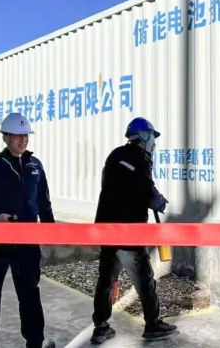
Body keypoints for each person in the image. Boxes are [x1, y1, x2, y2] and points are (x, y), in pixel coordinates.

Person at [0, 112, 55, 348]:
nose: (23, 140)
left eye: (25, 135)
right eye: (18, 135)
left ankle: (35, 340)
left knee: (29, 290)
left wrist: (50, 229)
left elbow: (44, 201)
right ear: (5, 137)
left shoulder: (35, 166)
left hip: (27, 241)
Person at [90, 117, 177, 345]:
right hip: (129, 232)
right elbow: (145, 189)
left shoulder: (115, 155)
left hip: (107, 230)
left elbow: (114, 186)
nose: (154, 144)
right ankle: (153, 324)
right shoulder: (141, 159)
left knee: (106, 280)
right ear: (144, 137)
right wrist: (159, 201)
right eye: (152, 138)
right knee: (144, 280)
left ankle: (100, 328)